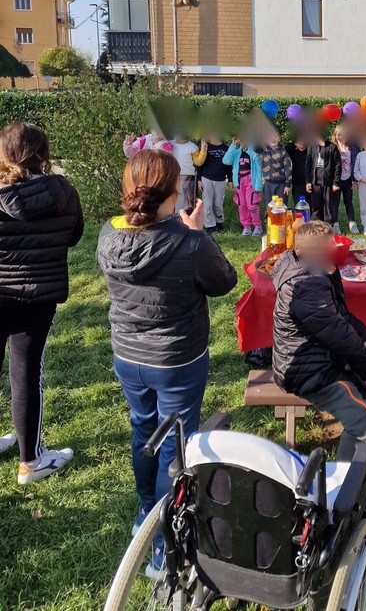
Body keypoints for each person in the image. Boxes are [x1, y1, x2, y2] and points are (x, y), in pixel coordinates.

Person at [97, 149, 237, 574]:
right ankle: (161, 542)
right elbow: (225, 281)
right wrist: (198, 233)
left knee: (144, 431)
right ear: (174, 193)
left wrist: (185, 232)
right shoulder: (190, 242)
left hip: (128, 355)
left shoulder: (108, 233)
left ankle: (146, 515)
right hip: (176, 358)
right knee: (175, 443)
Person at [0, 122, 84, 484]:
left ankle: (31, 459)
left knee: (23, 372)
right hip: (37, 296)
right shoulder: (63, 191)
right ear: (43, 153)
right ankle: (30, 460)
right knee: (25, 372)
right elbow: (75, 235)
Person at [272, 221, 366, 461]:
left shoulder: (312, 270)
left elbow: (342, 317)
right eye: (329, 249)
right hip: (305, 373)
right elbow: (341, 336)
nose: (335, 252)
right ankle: (342, 489)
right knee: (362, 419)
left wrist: (365, 337)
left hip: (314, 356)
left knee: (361, 362)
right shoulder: (307, 286)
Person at [192, 135, 233, 234]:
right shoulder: (206, 147)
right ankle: (210, 225)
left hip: (220, 179)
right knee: (207, 203)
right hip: (206, 178)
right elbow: (200, 165)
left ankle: (219, 222)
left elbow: (228, 167)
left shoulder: (226, 148)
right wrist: (199, 180)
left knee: (218, 203)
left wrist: (230, 180)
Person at [223, 139, 263, 236]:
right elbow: (226, 160)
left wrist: (257, 185)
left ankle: (257, 226)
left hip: (251, 180)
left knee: (252, 204)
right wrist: (233, 145)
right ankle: (246, 226)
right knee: (242, 205)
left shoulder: (253, 152)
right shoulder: (236, 152)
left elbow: (259, 163)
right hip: (240, 181)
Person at [305, 136, 341, 223]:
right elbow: (308, 165)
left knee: (329, 206)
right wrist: (308, 181)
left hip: (328, 182)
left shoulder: (332, 147)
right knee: (316, 206)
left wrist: (336, 182)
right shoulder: (312, 146)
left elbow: (338, 165)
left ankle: (329, 226)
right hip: (315, 182)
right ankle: (319, 225)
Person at [332, 126, 359, 235]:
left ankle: (352, 224)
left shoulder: (352, 147)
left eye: (343, 134)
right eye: (339, 134)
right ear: (335, 135)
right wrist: (333, 181)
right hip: (337, 180)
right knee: (335, 203)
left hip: (348, 179)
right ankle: (335, 224)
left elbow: (355, 163)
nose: (341, 137)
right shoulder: (333, 147)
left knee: (349, 202)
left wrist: (354, 179)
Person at [261, 134, 293, 209]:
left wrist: (288, 184)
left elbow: (288, 168)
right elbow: (254, 145)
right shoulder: (263, 150)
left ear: (279, 139)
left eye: (275, 137)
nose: (273, 139)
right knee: (269, 207)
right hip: (268, 183)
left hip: (281, 184)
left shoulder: (283, 152)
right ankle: (268, 220)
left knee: (281, 207)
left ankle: (282, 220)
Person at [170, 134, 198, 212]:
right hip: (173, 175)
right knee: (175, 197)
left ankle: (187, 219)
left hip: (189, 176)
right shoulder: (169, 144)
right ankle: (175, 218)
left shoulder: (192, 146)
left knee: (188, 199)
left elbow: (198, 161)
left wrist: (204, 150)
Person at [285, 137, 308, 203]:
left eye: (304, 143)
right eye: (298, 143)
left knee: (311, 207)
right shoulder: (290, 149)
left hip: (310, 182)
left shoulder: (311, 149)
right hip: (297, 183)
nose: (301, 145)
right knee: (299, 206)